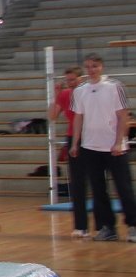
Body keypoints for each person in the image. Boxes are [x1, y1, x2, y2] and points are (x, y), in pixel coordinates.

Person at [70, 53, 136, 243]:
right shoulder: (80, 91)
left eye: (95, 66)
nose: (91, 70)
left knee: (124, 188)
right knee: (98, 190)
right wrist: (75, 143)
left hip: (115, 148)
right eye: (88, 67)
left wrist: (118, 141)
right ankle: (108, 227)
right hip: (90, 146)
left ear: (102, 67)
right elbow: (78, 118)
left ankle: (133, 225)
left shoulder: (115, 87)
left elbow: (123, 116)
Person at [48, 66, 90, 237]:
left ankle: (105, 226)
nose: (70, 83)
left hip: (93, 137)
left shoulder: (89, 92)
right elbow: (52, 116)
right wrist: (55, 95)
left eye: (73, 79)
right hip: (74, 138)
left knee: (98, 182)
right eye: (68, 80)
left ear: (81, 78)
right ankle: (80, 226)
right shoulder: (65, 95)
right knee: (77, 183)